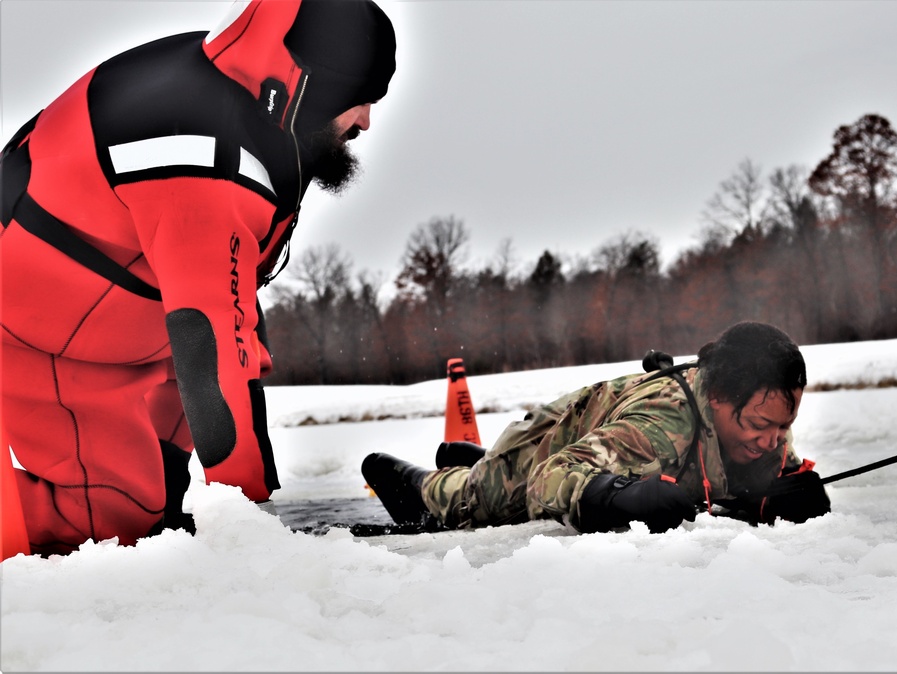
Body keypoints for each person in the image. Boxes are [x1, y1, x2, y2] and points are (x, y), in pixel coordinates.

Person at [0, 0, 396, 556]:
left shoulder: (249, 103)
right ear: (317, 86)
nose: (366, 121)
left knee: (161, 490)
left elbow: (230, 316)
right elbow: (209, 340)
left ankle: (156, 501)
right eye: (360, 99)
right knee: (114, 516)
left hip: (119, 322)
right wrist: (252, 525)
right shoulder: (205, 160)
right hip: (42, 328)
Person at [362, 321, 831, 533]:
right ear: (718, 398)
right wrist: (617, 495)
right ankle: (434, 478)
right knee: (477, 501)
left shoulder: (765, 420)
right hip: (546, 445)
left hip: (605, 432)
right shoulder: (662, 425)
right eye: (757, 425)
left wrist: (790, 491)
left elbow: (778, 471)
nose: (772, 441)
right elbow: (550, 478)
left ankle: (469, 455)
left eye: (782, 426)